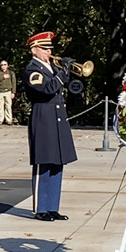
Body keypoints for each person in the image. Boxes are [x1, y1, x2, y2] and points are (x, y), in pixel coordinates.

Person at [23, 31, 77, 222]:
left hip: (57, 117)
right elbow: (46, 89)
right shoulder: (32, 69)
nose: (49, 52)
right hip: (43, 117)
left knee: (56, 163)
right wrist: (63, 74)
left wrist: (63, 73)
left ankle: (53, 207)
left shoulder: (51, 68)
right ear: (34, 50)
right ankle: (41, 208)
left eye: (50, 49)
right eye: (45, 49)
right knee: (43, 164)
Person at [0, 60, 17, 125]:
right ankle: (0, 120)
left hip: (8, 91)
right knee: (0, 106)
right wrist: (3, 77)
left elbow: (14, 83)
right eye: (2, 65)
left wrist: (13, 92)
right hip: (0, 92)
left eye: (5, 64)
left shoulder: (11, 73)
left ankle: (9, 120)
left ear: (7, 66)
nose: (3, 66)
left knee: (8, 106)